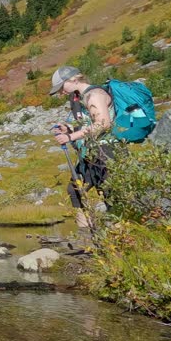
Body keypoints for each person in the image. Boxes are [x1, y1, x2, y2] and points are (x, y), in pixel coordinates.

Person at [48, 66, 114, 231]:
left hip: (106, 151)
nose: (61, 92)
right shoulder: (80, 98)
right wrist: (69, 129)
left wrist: (71, 137)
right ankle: (86, 235)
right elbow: (87, 124)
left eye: (62, 87)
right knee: (75, 189)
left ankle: (120, 240)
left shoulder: (95, 95)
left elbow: (103, 124)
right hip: (90, 153)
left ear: (74, 80)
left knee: (110, 194)